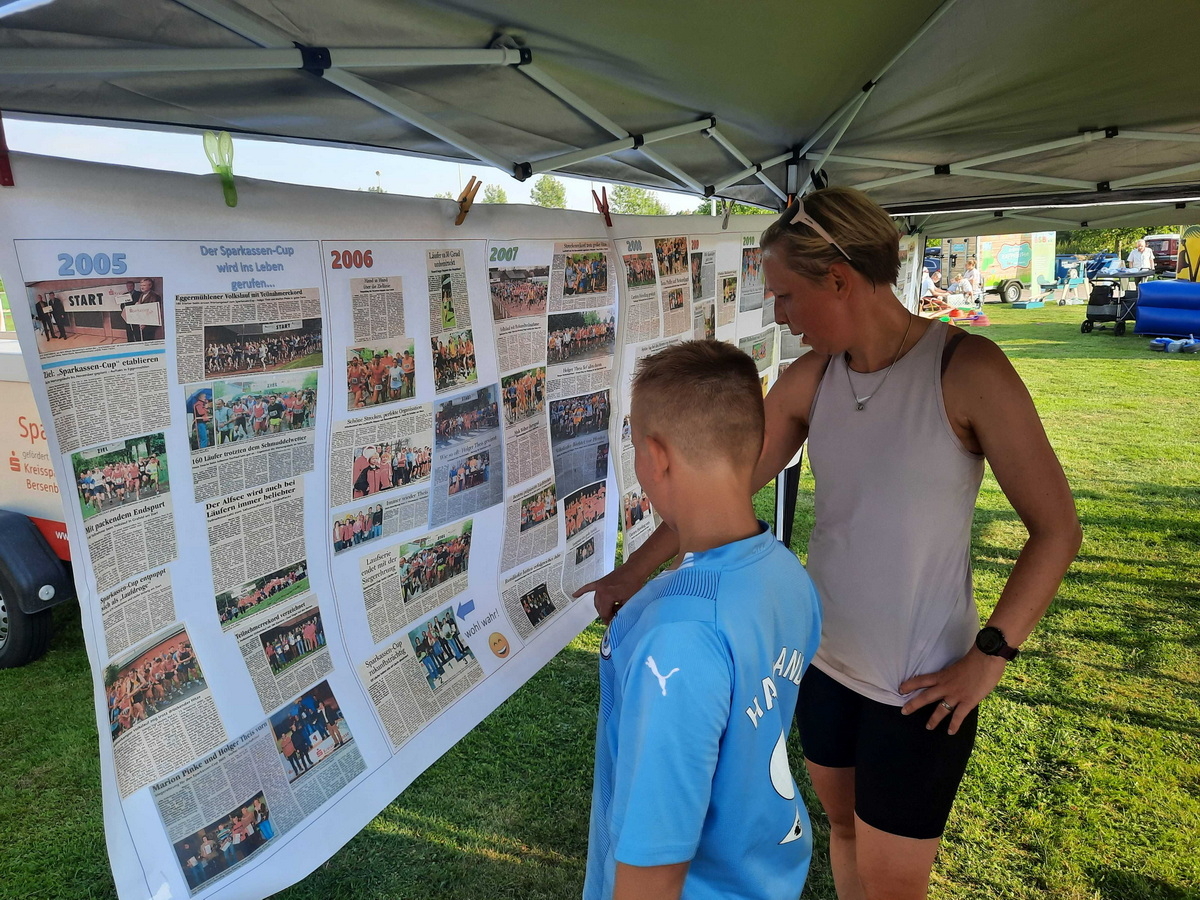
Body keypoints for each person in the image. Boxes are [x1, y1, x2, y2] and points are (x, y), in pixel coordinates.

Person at [578, 187, 1081, 900]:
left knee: (892, 887)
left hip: (919, 690)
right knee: (843, 836)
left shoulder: (966, 369)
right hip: (822, 666)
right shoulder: (814, 379)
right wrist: (635, 570)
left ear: (839, 280)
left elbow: (1058, 529)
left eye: (785, 296)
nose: (779, 315)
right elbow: (720, 485)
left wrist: (988, 660)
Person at [581, 340, 822, 900]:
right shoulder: (788, 575)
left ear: (657, 458)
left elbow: (654, 869)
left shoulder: (679, 640)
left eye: (634, 445)